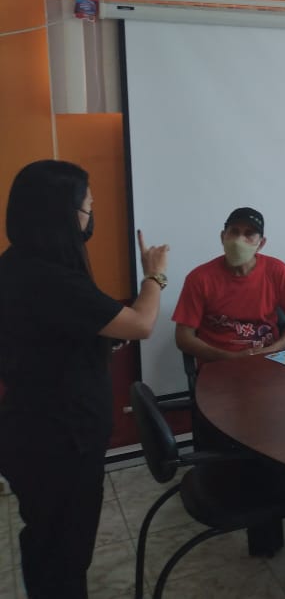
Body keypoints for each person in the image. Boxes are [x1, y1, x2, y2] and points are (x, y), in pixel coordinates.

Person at [0, 160, 169, 598]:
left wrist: (96, 341)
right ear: (62, 214)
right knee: (64, 551)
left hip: (37, 433)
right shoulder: (51, 278)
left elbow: (50, 338)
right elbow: (142, 324)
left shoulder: (19, 264)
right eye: (88, 207)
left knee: (48, 541)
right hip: (58, 442)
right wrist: (154, 275)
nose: (91, 217)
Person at [173, 207, 285, 363]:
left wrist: (275, 349)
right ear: (223, 237)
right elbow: (183, 337)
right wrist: (230, 358)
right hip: (219, 364)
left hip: (269, 361)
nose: (239, 240)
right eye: (234, 232)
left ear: (261, 243)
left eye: (249, 234)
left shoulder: (278, 271)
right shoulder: (199, 278)